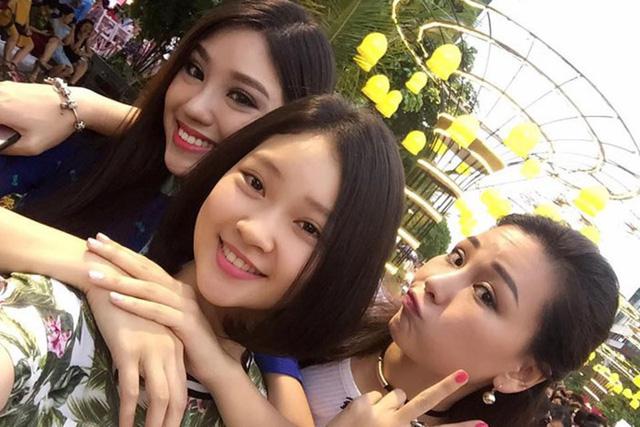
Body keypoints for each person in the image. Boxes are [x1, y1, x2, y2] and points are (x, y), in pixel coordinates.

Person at [0, 0, 336, 424]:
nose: (195, 106)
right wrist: (105, 275)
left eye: (240, 97)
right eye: (194, 70)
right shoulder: (88, 151)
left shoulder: (238, 267)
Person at [0, 94, 407, 426]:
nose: (254, 230)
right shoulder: (78, 312)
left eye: (309, 228)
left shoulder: (252, 399)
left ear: (339, 274)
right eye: (255, 182)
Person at [97, 212, 618, 427]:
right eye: (457, 257)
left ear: (523, 372)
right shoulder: (333, 307)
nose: (436, 280)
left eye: (485, 295)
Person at [0, 0, 34, 77]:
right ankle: (6, 62)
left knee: (30, 44)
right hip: (7, 17)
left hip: (18, 25)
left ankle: (13, 64)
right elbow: (9, 6)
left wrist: (27, 27)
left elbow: (27, 14)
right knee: (14, 35)